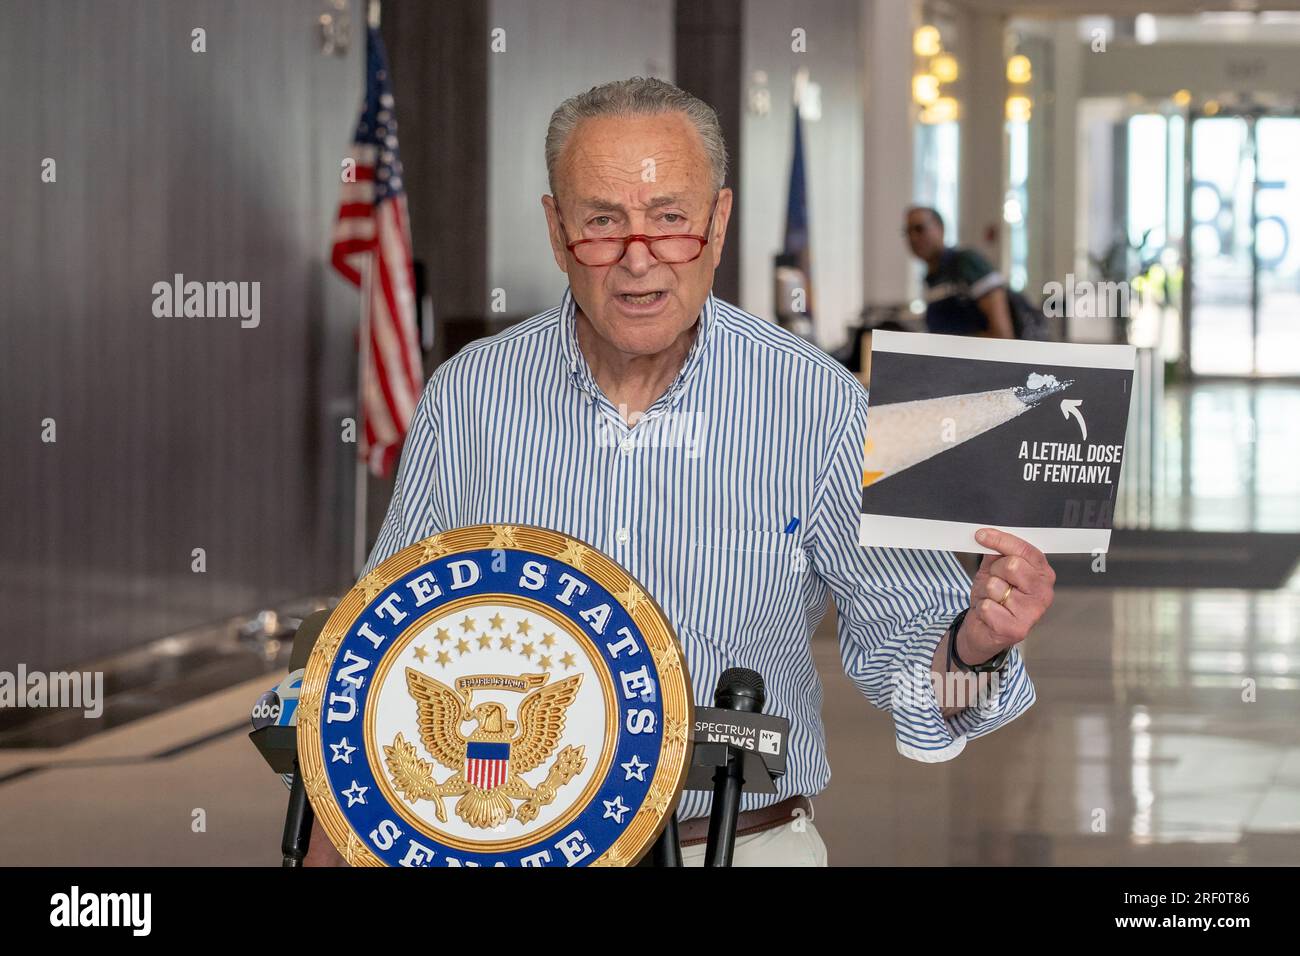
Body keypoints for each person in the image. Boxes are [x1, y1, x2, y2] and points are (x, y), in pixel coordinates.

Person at [307, 78, 1056, 866]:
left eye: (670, 220)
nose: (639, 261)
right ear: (557, 231)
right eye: (602, 222)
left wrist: (977, 650)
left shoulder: (820, 404)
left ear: (718, 222)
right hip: (502, 845)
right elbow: (381, 651)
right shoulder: (470, 396)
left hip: (739, 844)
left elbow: (914, 666)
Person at [905, 205, 1016, 338]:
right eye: (908, 232)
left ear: (941, 229)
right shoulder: (932, 278)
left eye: (919, 229)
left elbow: (1002, 334)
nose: (913, 238)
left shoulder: (968, 264)